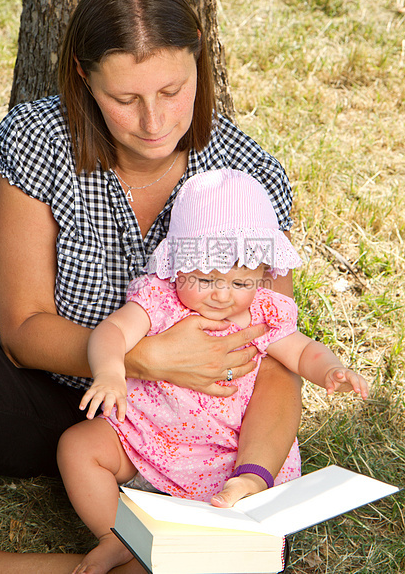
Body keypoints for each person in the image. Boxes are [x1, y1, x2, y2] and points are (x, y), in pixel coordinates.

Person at [0, 0, 302, 574]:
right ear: (83, 76)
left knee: (240, 561)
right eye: (125, 99)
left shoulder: (247, 179)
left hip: (198, 426)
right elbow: (22, 329)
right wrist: (141, 358)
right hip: (62, 391)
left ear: (200, 61)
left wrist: (253, 475)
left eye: (172, 90)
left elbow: (279, 358)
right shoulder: (41, 142)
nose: (154, 122)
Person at [57, 168, 368, 574]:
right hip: (148, 437)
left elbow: (301, 351)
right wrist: (111, 371)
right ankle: (117, 535)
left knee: (224, 534)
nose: (222, 294)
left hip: (222, 455)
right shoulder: (160, 299)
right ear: (178, 263)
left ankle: (211, 523)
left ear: (262, 275)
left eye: (240, 282)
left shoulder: (260, 312)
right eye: (205, 278)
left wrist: (331, 369)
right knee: (77, 447)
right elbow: (112, 332)